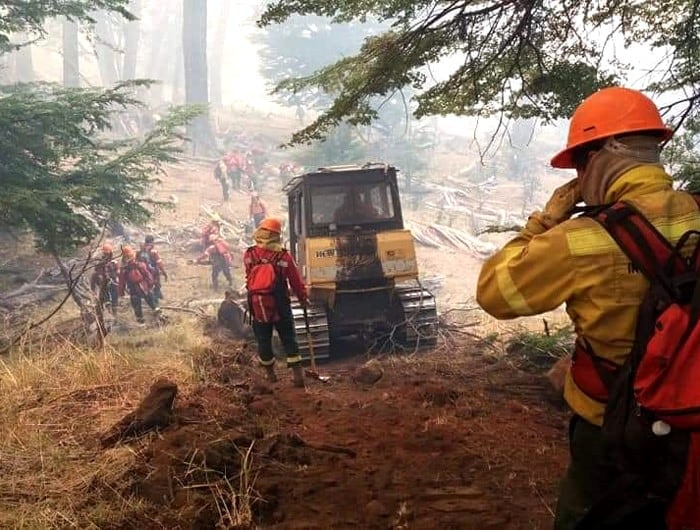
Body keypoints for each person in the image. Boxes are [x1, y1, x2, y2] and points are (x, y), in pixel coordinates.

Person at [476, 86, 699, 529]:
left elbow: (495, 293)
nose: (578, 175)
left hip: (610, 426)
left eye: (580, 161)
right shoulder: (696, 210)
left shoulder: (578, 239)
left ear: (606, 153)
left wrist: (545, 220)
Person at [243, 217, 308, 387]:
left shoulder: (249, 254)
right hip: (280, 303)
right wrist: (303, 298)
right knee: (288, 337)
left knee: (263, 339)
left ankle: (270, 375)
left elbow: (248, 278)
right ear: (277, 235)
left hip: (257, 304)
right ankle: (298, 377)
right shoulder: (283, 256)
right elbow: (296, 282)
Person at [118, 245, 162, 324]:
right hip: (143, 286)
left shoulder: (124, 269)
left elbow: (121, 281)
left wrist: (121, 292)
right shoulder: (139, 264)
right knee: (149, 298)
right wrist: (150, 283)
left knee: (137, 304)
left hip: (133, 288)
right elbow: (147, 274)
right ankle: (155, 309)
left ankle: (141, 320)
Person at [90, 242, 120, 317]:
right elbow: (95, 275)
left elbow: (118, 272)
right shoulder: (100, 263)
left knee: (112, 299)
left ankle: (113, 314)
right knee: (106, 299)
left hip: (111, 283)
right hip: (105, 284)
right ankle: (109, 314)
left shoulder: (113, 263)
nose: (106, 254)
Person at [139, 235, 168, 302]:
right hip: (154, 271)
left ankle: (156, 296)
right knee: (157, 284)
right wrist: (164, 272)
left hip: (144, 271)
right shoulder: (153, 251)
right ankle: (156, 300)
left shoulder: (141, 250)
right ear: (152, 242)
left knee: (149, 285)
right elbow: (159, 263)